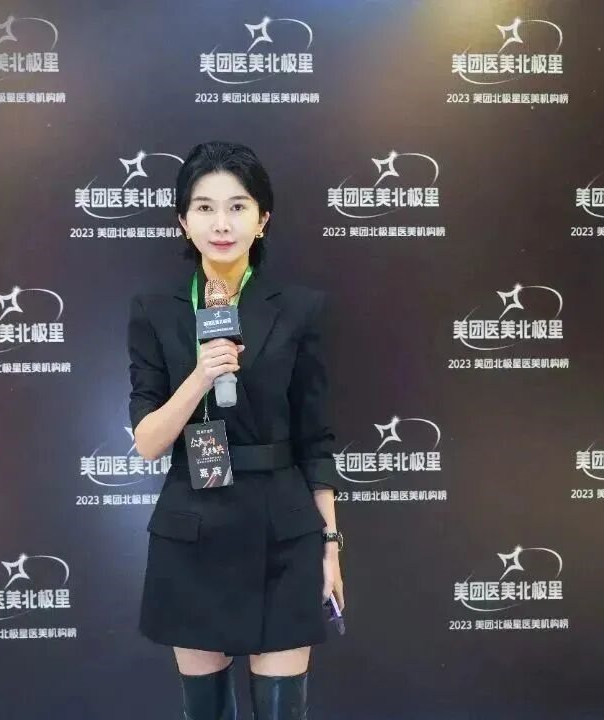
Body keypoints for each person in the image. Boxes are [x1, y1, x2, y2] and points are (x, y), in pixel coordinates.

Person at [126, 140, 346, 719]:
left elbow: (315, 439)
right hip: (192, 526)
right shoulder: (155, 310)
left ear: (262, 218)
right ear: (183, 220)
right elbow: (148, 442)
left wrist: (329, 546)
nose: (221, 223)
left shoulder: (299, 308)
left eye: (237, 206)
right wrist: (201, 375)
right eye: (204, 207)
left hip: (284, 528)